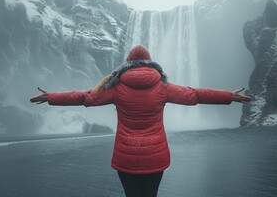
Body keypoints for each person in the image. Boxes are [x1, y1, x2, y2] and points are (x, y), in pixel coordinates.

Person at [30, 45, 251, 197]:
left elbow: (84, 98)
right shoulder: (163, 87)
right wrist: (228, 96)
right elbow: (195, 94)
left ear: (128, 62)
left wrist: (51, 97)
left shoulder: (115, 87)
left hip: (126, 158)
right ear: (149, 62)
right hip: (156, 157)